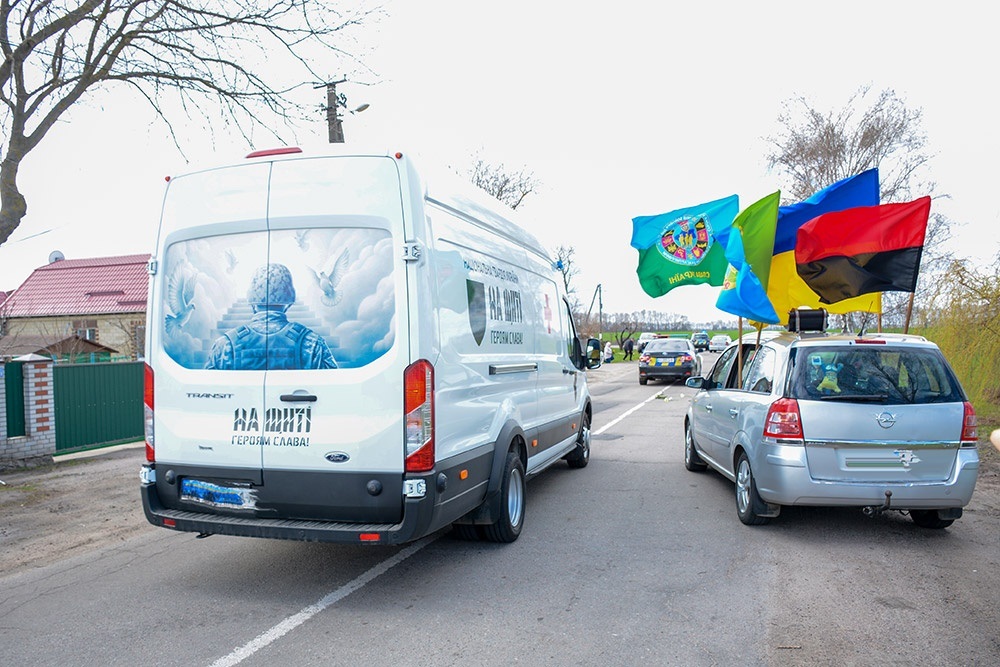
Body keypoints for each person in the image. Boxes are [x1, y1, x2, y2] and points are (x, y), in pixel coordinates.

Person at [206, 263, 337, 370]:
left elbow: (209, 390)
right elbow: (332, 388)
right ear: (290, 301)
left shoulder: (225, 344)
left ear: (251, 300)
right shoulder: (312, 343)